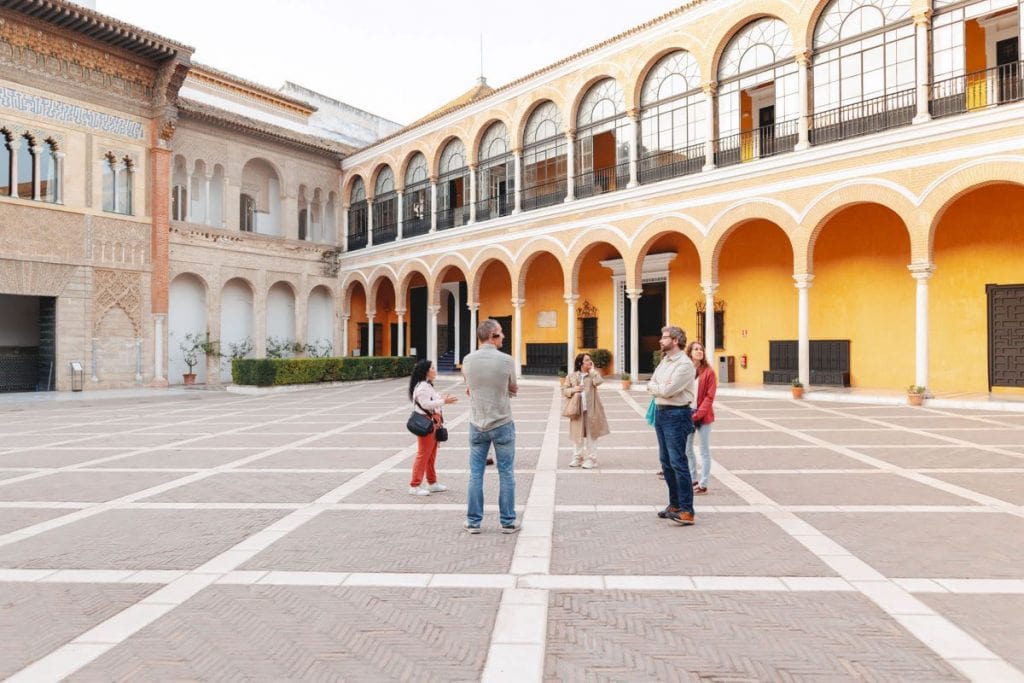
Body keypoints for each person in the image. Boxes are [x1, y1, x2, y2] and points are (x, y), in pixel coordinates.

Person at [461, 318, 519, 534]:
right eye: (501, 333)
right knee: (506, 473)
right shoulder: (506, 360)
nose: (503, 336)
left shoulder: (467, 360)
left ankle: (473, 522)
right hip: (502, 421)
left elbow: (469, 387)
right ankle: (508, 521)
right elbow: (513, 388)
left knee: (475, 474)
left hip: (477, 422)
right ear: (493, 335)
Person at [647, 325, 697, 526]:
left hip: (677, 414)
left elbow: (668, 390)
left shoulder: (684, 364)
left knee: (678, 462)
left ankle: (687, 510)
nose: (660, 340)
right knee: (666, 463)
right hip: (661, 413)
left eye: (664, 337)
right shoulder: (665, 361)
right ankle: (674, 504)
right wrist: (658, 387)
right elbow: (652, 383)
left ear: (675, 340)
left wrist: (657, 388)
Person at [407, 359, 458, 496]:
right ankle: (414, 485)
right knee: (423, 455)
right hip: (426, 424)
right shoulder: (423, 387)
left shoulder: (427, 385)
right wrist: (443, 401)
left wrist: (441, 400)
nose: (435, 370)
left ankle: (432, 483)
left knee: (431, 456)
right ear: (426, 371)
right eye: (433, 368)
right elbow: (425, 404)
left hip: (433, 423)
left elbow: (432, 402)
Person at [563, 352, 609, 469]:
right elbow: (564, 390)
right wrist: (574, 389)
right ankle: (578, 458)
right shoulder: (572, 376)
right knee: (577, 435)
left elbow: (599, 382)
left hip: (591, 410)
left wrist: (593, 371)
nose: (590, 362)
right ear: (580, 363)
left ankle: (591, 459)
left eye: (590, 360)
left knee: (591, 435)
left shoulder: (592, 375)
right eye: (587, 360)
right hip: (577, 410)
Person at [685, 341, 716, 495]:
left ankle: (703, 484)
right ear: (689, 352)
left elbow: (710, 397)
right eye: (696, 349)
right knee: (687, 449)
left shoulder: (709, 372)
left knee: (704, 451)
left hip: (703, 416)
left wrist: (698, 415)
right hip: (688, 413)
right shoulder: (685, 370)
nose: (699, 351)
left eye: (701, 349)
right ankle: (692, 479)